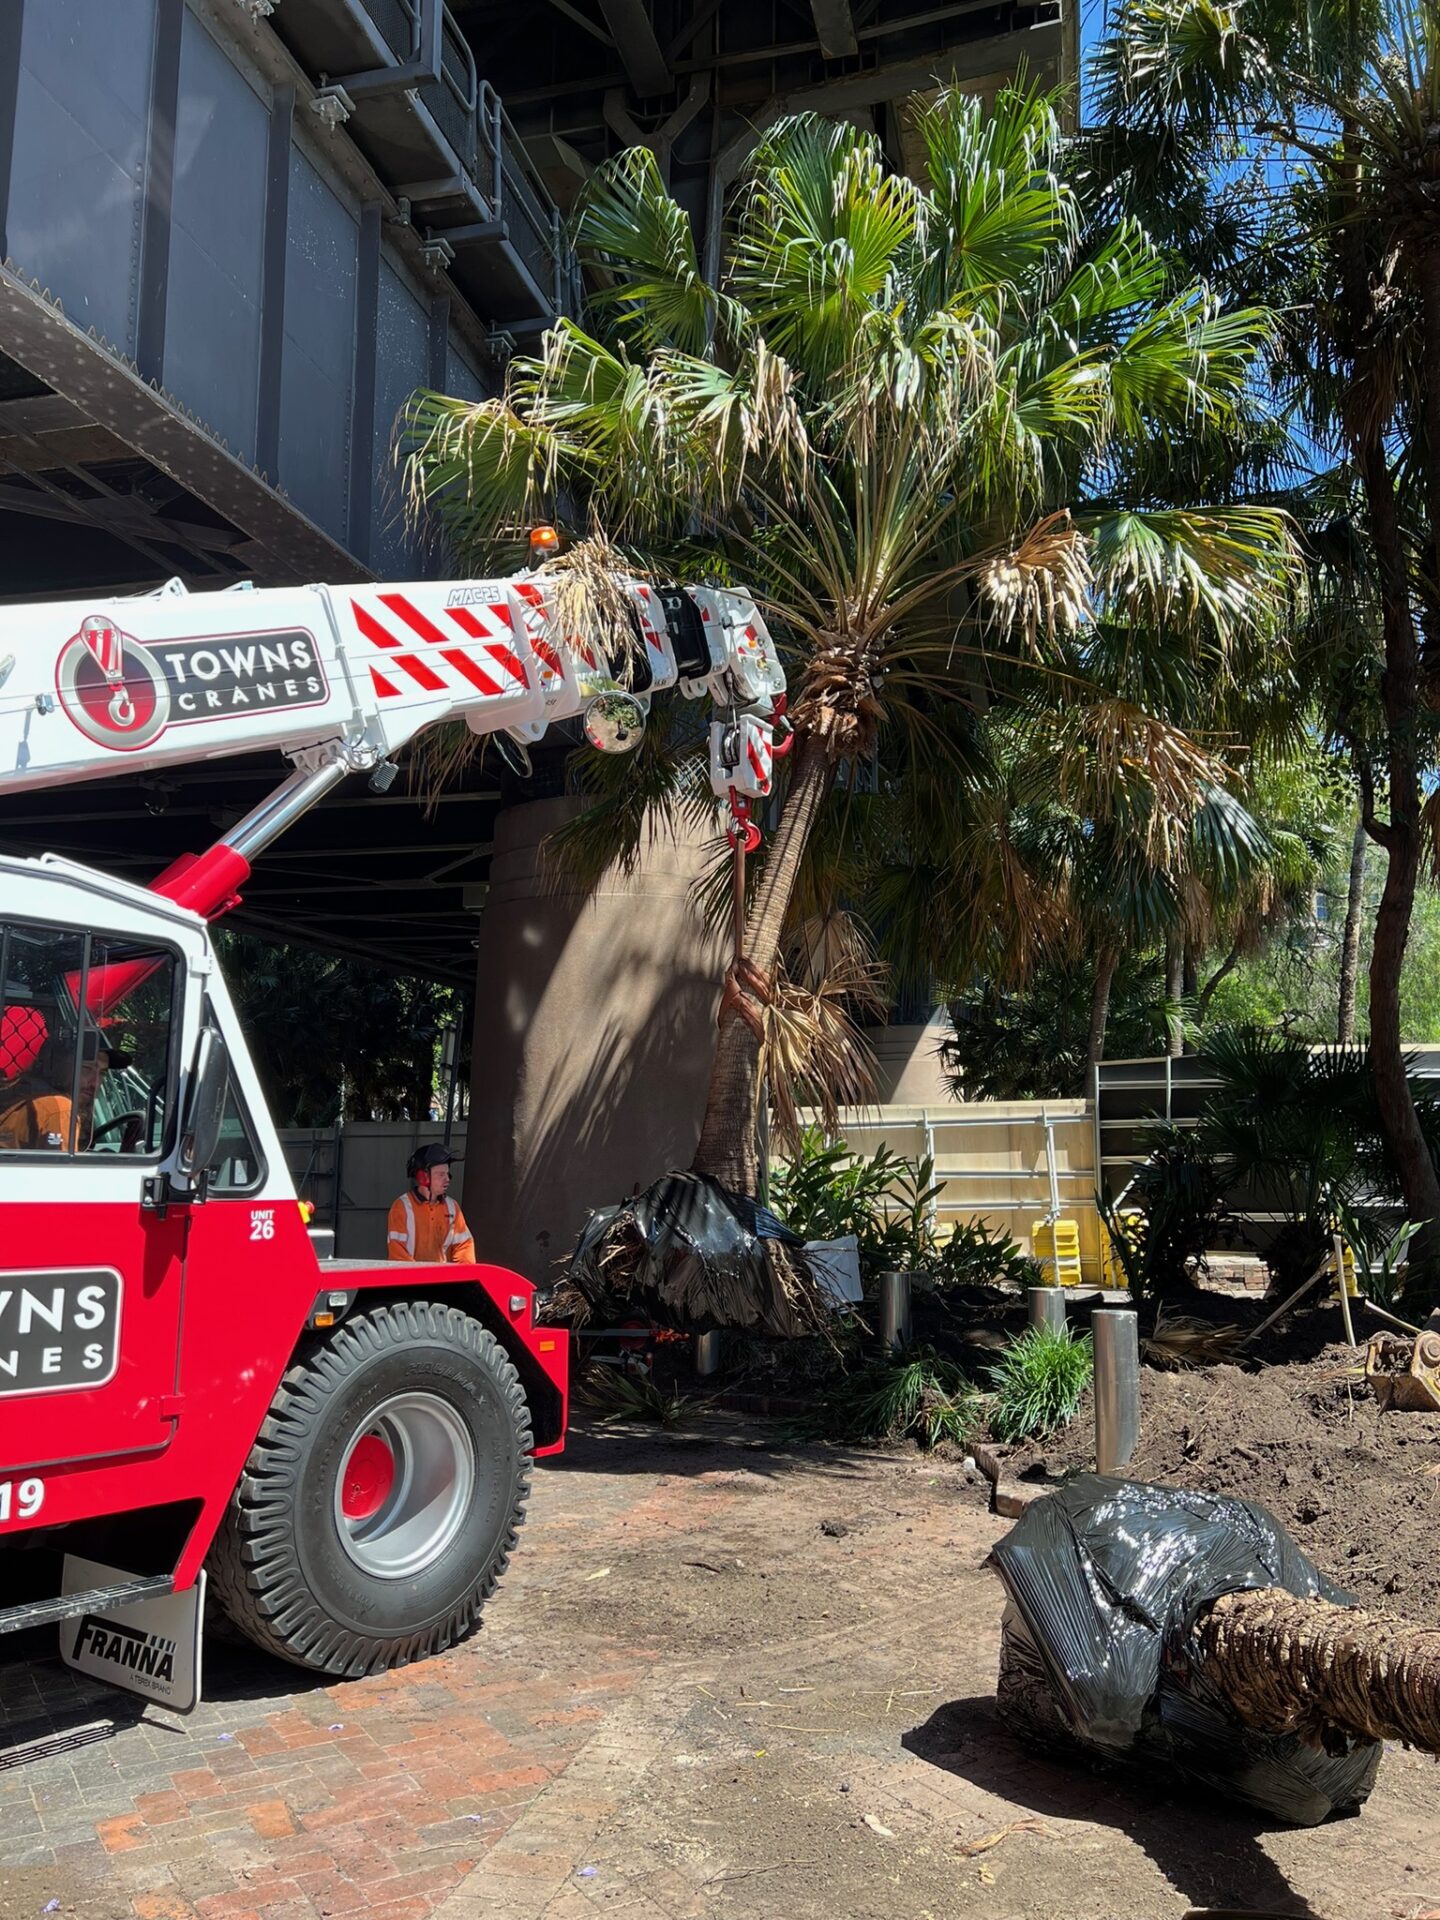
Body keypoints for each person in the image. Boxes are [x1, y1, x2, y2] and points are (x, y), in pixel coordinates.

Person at [0, 1026, 131, 1151]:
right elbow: (63, 1172)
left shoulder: (20, 1092)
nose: (95, 1083)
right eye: (86, 1068)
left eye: (102, 1073)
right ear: (56, 1064)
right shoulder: (58, 1108)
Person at [387, 1143, 475, 1263]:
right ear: (423, 1177)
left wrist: (463, 1277)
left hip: (441, 1280)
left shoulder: (452, 1207)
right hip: (412, 1280)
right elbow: (398, 1255)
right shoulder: (401, 1207)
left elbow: (464, 1246)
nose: (447, 1179)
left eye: (447, 1173)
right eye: (441, 1174)